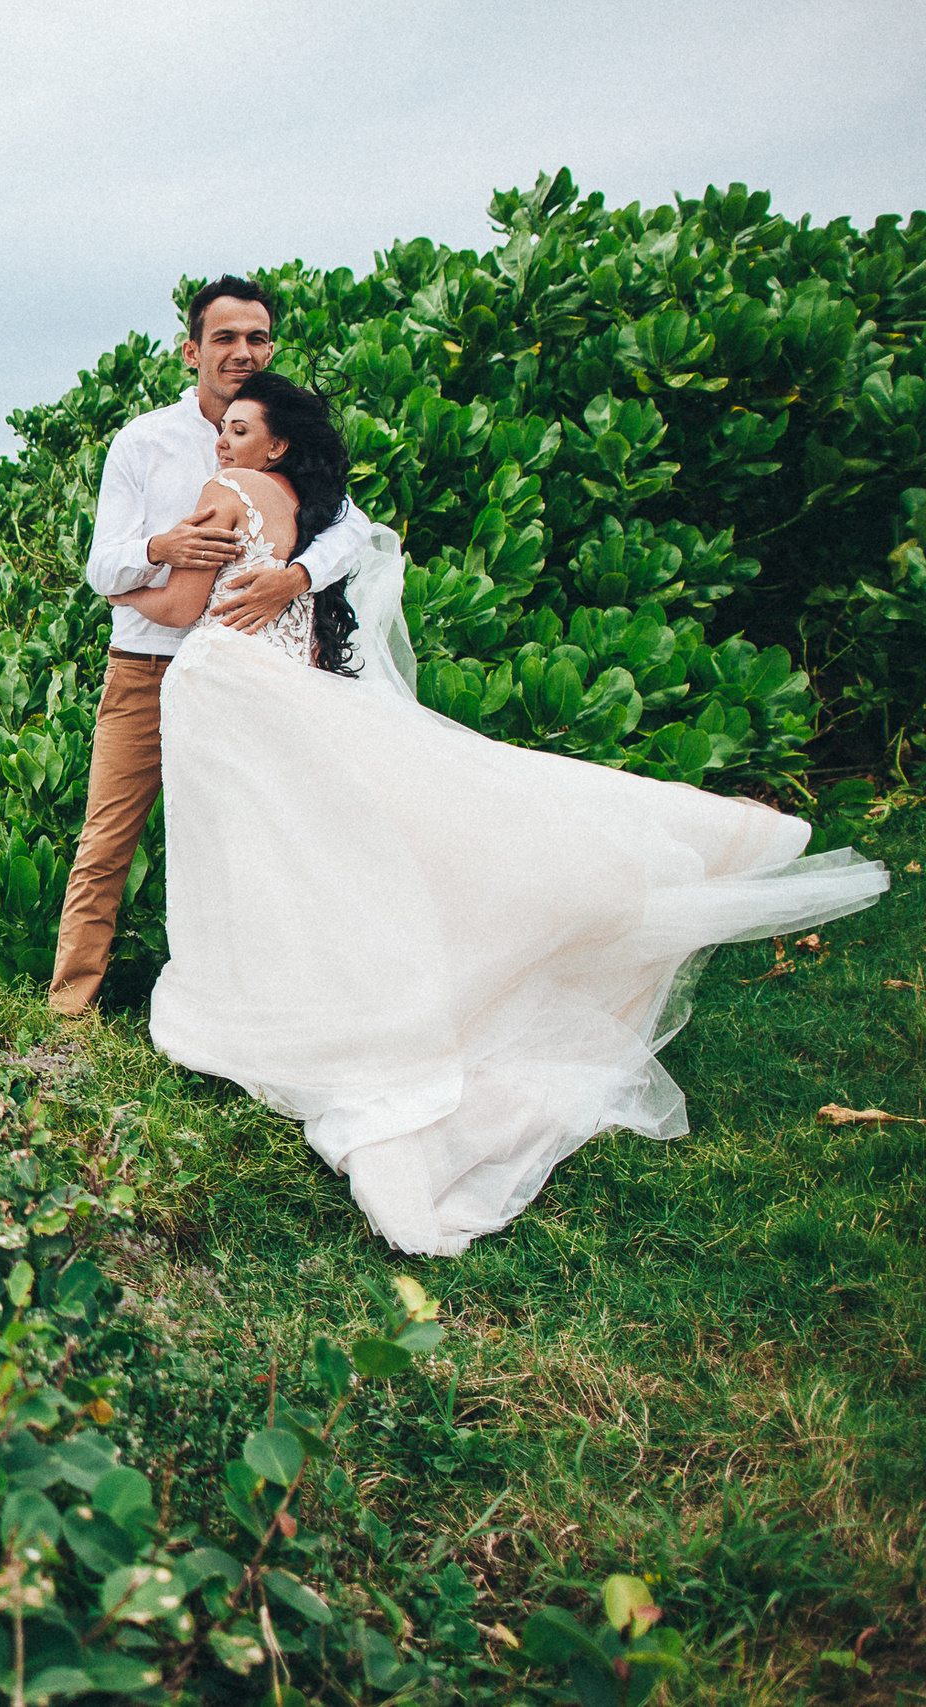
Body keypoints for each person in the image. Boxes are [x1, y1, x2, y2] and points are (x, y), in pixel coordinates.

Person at [106, 371, 889, 1255]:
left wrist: (123, 575)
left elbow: (175, 605)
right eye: (225, 429)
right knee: (311, 854)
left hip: (225, 692)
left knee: (255, 860)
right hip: (282, 688)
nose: (225, 442)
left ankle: (275, 1009)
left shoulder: (226, 493)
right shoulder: (305, 508)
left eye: (241, 429)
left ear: (274, 444)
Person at [47, 276, 379, 1016]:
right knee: (108, 839)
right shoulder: (143, 442)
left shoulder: (277, 435)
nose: (243, 351)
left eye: (257, 337)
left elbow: (353, 528)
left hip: (243, 676)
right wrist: (157, 547)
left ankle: (257, 1004)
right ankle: (71, 1009)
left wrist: (294, 577)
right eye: (226, 338)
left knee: (248, 841)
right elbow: (101, 563)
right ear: (193, 349)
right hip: (146, 667)